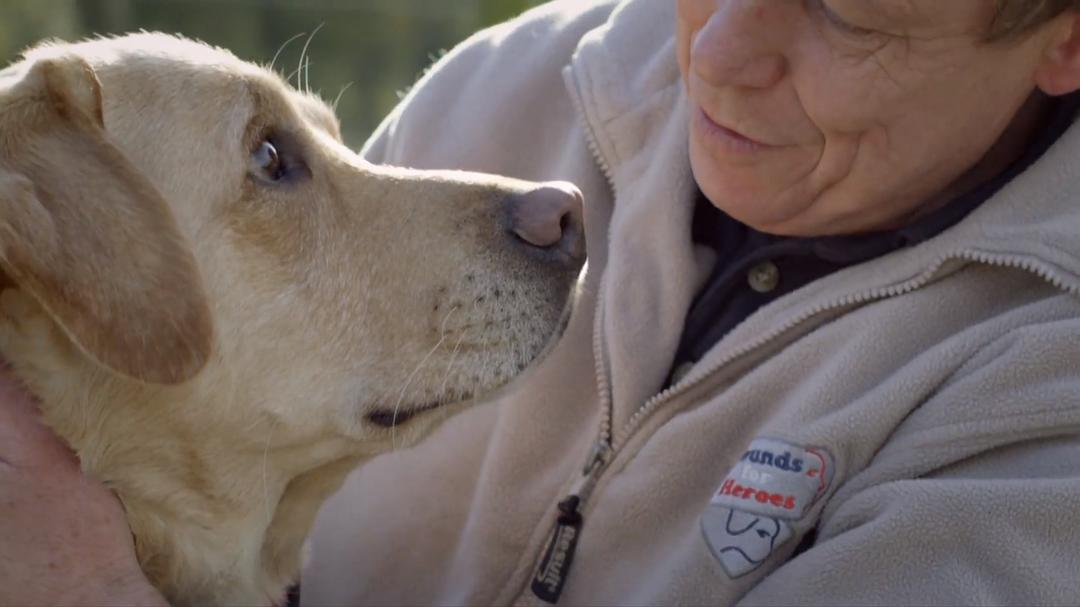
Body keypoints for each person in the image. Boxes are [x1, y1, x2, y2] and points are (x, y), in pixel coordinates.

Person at [5, 0, 1080, 604]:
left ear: (1064, 36)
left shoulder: (1047, 404)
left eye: (849, 13)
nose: (712, 53)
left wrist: (90, 589)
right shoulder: (525, 80)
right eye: (284, 159)